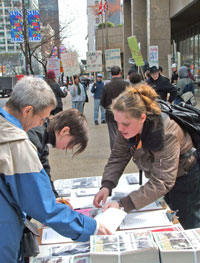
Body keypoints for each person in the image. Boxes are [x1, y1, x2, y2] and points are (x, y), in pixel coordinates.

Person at [0, 76, 111, 263]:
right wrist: (90, 227)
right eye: (41, 118)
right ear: (28, 111)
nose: (41, 123)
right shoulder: (17, 144)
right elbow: (44, 207)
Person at [94, 83, 200, 230]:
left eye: (125, 124)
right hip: (164, 175)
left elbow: (162, 181)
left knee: (187, 225)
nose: (119, 128)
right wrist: (106, 185)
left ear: (142, 118)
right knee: (168, 216)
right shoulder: (127, 124)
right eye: (116, 122)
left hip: (186, 178)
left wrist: (123, 204)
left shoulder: (167, 132)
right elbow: (118, 156)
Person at [27, 109, 89, 198]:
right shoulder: (35, 140)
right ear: (64, 131)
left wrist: (55, 199)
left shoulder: (42, 141)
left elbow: (45, 176)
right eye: (72, 143)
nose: (70, 148)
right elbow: (31, 182)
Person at [101, 66, 128, 149]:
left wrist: (108, 108)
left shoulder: (107, 86)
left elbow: (103, 102)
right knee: (124, 132)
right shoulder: (126, 85)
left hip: (111, 113)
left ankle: (115, 150)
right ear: (120, 73)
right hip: (124, 113)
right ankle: (124, 150)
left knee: (113, 134)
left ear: (111, 74)